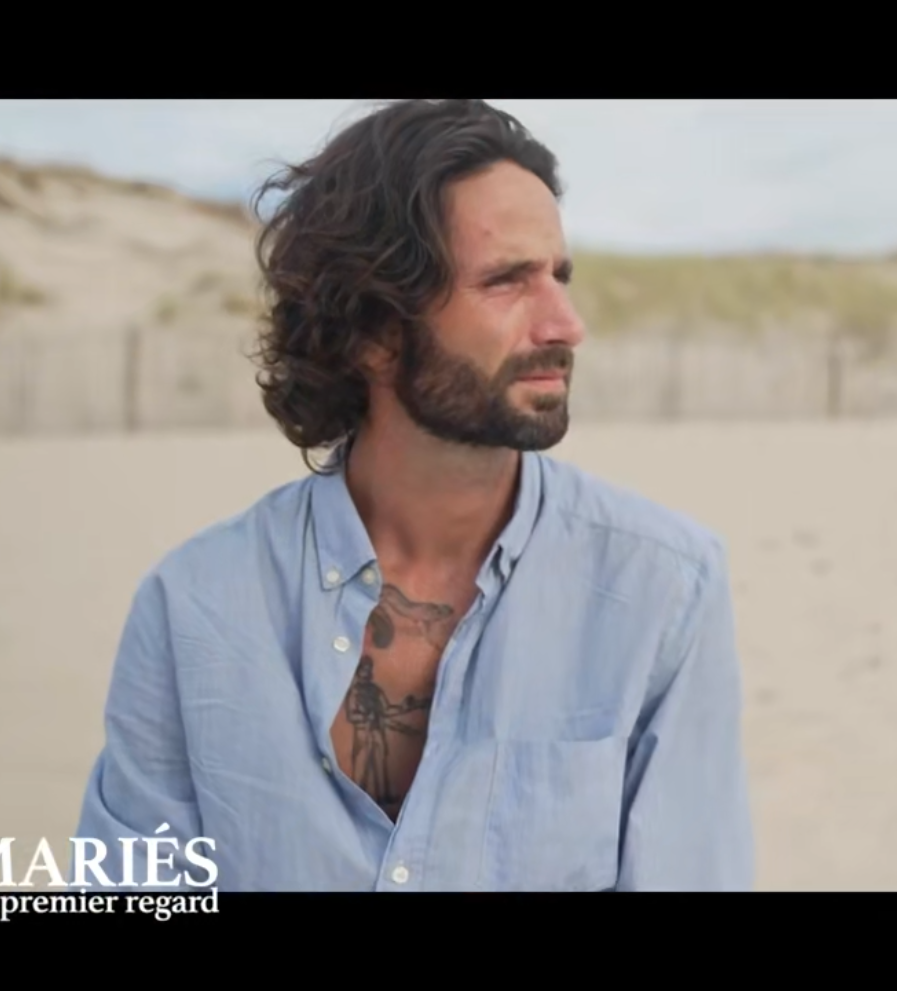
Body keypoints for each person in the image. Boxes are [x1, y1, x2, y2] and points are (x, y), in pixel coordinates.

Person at [71, 99, 753, 892]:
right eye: (506, 281)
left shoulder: (662, 588)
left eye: (559, 276)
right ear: (372, 331)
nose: (565, 324)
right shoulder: (195, 606)